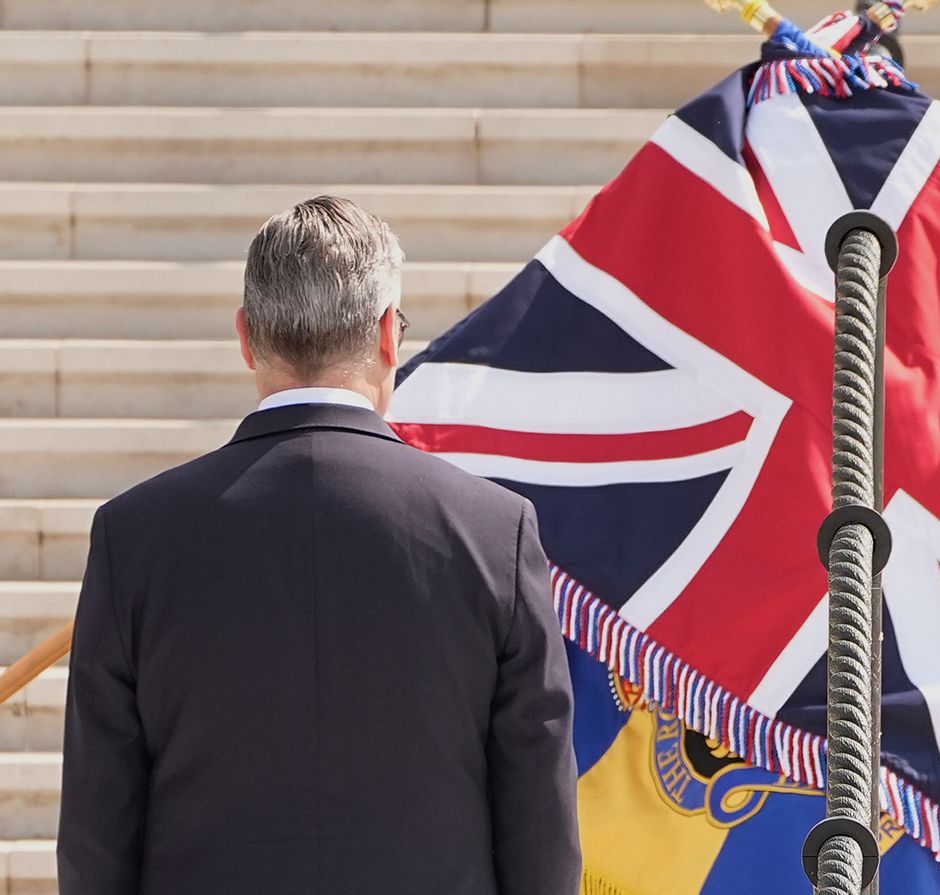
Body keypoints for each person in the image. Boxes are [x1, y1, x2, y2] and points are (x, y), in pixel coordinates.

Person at [59, 196, 581, 894]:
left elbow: (98, 836)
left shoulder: (134, 535)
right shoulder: (497, 532)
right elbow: (540, 835)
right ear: (389, 338)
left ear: (246, 337)